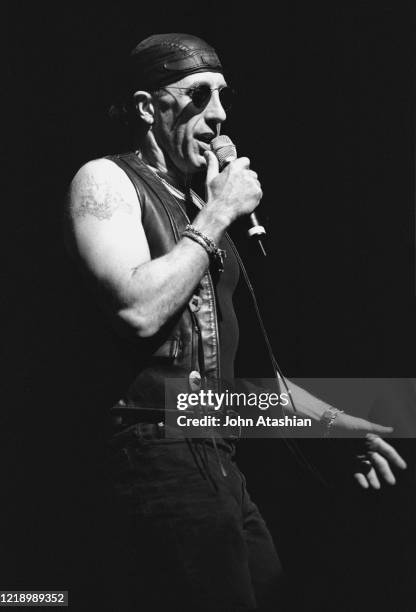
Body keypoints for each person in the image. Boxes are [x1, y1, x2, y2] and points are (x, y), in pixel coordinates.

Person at [64, 33, 407, 611]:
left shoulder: (195, 208)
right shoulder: (105, 180)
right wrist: (220, 211)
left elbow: (213, 395)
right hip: (153, 455)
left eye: (223, 96)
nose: (219, 115)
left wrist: (333, 425)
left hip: (217, 453)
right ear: (149, 107)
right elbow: (136, 311)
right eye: (198, 95)